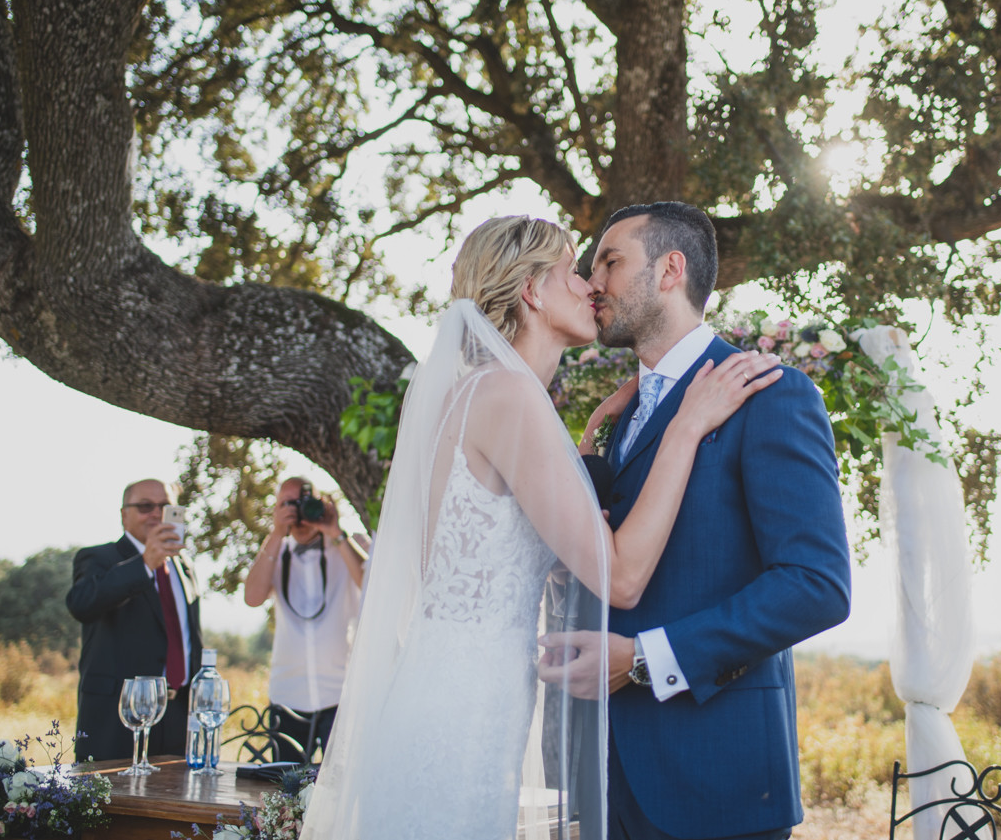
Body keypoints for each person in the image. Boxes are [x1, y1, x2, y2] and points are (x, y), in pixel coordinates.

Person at [301, 216, 781, 840]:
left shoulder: (481, 393)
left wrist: (585, 455)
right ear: (531, 291)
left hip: (452, 686)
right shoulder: (508, 396)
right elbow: (624, 578)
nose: (590, 287)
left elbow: (502, 549)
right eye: (573, 271)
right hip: (467, 709)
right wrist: (686, 425)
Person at [541, 202, 853, 840]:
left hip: (718, 781)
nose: (592, 280)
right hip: (609, 781)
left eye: (610, 260)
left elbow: (817, 585)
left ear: (669, 270)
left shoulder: (772, 393)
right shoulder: (622, 417)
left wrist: (647, 660)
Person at [66, 478, 203, 763]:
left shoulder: (185, 567)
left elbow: (189, 640)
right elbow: (81, 604)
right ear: (123, 515)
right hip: (117, 718)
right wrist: (144, 565)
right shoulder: (98, 557)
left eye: (165, 506)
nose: (156, 514)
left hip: (178, 718)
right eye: (145, 506)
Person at [243, 476, 368, 761]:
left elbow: (373, 585)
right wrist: (276, 534)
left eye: (302, 503)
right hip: (289, 695)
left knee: (341, 791)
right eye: (287, 504)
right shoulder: (275, 553)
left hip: (342, 694)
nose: (296, 513)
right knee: (285, 794)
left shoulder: (348, 544)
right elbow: (252, 598)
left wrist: (334, 531)